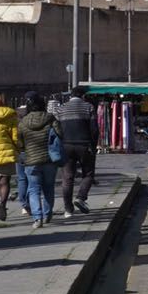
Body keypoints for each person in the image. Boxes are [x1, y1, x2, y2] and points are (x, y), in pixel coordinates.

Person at [16, 90, 62, 226]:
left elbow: (20, 143)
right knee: (48, 188)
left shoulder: (23, 122)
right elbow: (60, 134)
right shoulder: (51, 118)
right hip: (49, 160)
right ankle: (47, 214)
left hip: (31, 161)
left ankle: (37, 217)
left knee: (33, 189)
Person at [55, 84, 98, 215]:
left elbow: (56, 129)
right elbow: (94, 130)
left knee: (67, 177)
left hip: (66, 145)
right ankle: (80, 197)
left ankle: (68, 209)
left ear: (71, 96)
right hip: (84, 145)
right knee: (88, 174)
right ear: (83, 96)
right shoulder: (88, 107)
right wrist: (94, 145)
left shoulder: (61, 109)